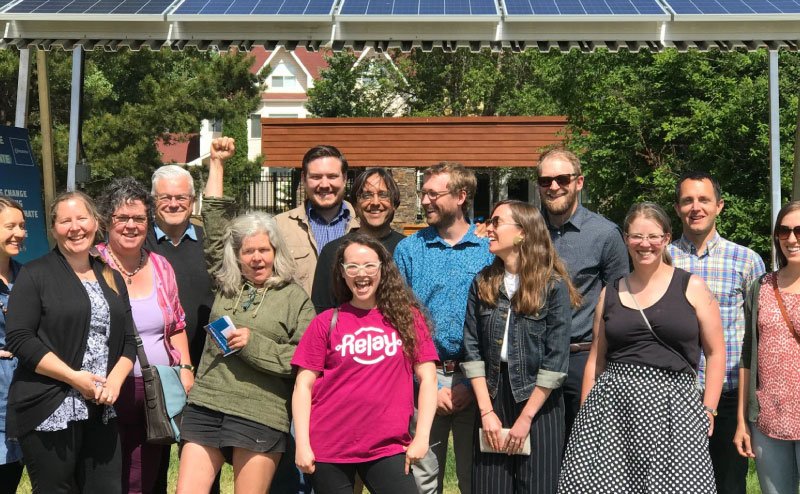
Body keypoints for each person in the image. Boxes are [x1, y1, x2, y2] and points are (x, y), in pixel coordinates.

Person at [176, 137, 315, 494]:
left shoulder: (295, 298)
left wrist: (253, 345)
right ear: (236, 256)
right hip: (207, 403)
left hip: (260, 412)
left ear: (276, 251)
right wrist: (217, 164)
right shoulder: (227, 284)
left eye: (263, 250)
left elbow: (305, 361)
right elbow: (214, 221)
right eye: (248, 251)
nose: (256, 258)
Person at [558, 202, 724, 493]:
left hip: (675, 408)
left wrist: (708, 408)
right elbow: (596, 359)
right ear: (626, 239)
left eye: (653, 236)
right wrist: (586, 414)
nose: (644, 244)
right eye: (636, 236)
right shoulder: (610, 292)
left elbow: (715, 352)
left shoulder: (692, 287)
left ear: (666, 238)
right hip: (613, 410)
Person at [5, 191, 136, 493]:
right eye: (65, 221)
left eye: (82, 218)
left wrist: (114, 382)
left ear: (96, 223)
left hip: (101, 407)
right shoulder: (36, 274)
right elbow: (20, 339)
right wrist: (74, 378)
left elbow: (129, 341)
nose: (75, 227)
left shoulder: (110, 275)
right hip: (50, 406)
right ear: (53, 229)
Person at [292, 234, 438, 494]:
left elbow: (428, 378)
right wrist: (302, 444)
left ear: (383, 269)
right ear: (342, 272)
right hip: (330, 447)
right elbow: (303, 385)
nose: (362, 273)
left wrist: (422, 437)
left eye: (370, 265)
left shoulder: (407, 319)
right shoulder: (326, 322)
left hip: (387, 446)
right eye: (353, 266)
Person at [462, 200, 579, 493]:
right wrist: (486, 412)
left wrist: (526, 417)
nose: (488, 229)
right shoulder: (483, 283)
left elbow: (556, 361)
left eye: (497, 222)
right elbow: (472, 349)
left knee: (537, 486)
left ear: (522, 233)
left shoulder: (552, 286)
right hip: (493, 395)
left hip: (539, 402)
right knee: (490, 487)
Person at [394, 162, 494, 494]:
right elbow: (398, 320)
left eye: (433, 194)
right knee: (421, 481)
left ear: (461, 196)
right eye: (423, 193)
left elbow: (499, 322)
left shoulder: (488, 249)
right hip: (423, 379)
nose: (424, 201)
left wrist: (472, 384)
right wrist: (428, 384)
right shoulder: (410, 250)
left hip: (477, 380)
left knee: (476, 480)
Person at [668, 171, 766, 494]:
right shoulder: (663, 259)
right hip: (675, 396)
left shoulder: (746, 261)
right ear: (677, 208)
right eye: (687, 200)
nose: (695, 207)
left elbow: (758, 334)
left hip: (728, 397)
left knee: (729, 486)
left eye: (704, 200)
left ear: (719, 206)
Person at [96, 178, 194, 494]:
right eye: (122, 218)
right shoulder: (91, 264)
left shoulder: (161, 266)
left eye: (138, 218)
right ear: (106, 221)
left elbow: (176, 324)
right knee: (105, 474)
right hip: (104, 389)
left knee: (143, 476)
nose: (131, 225)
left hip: (155, 389)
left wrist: (186, 369)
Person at [535, 148, 628, 439]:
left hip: (583, 359)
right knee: (540, 452)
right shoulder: (527, 230)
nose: (553, 187)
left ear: (579, 182)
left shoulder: (605, 234)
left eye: (562, 179)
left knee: (584, 449)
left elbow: (618, 304)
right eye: (545, 181)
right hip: (535, 357)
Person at [735, 200, 800, 494]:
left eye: (799, 231)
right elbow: (748, 355)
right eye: (784, 231)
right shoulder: (761, 286)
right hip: (768, 419)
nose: (791, 239)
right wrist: (742, 420)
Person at [146, 164, 214, 372]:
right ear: (153, 201)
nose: (173, 204)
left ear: (192, 201)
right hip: (155, 366)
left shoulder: (211, 245)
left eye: (181, 197)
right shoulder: (138, 243)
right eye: (165, 198)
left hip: (207, 364)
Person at [311, 168, 405, 313]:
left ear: (394, 204)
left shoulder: (407, 250)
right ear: (355, 204)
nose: (375, 202)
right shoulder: (333, 251)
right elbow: (322, 311)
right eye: (366, 195)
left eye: (383, 195)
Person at [276, 145, 359, 296]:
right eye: (316, 177)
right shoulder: (279, 227)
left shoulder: (362, 227)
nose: (324, 185)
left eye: (332, 176)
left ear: (345, 178)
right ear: (304, 179)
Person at [0, 196, 26, 494]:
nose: (19, 233)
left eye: (22, 226)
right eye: (10, 226)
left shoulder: (26, 276)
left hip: (20, 399)